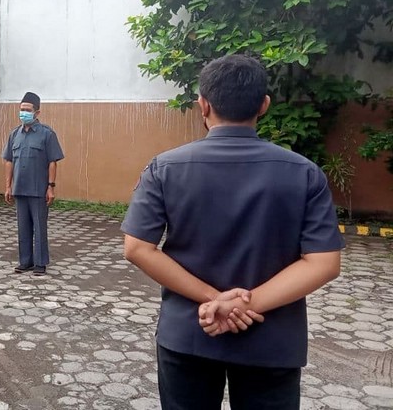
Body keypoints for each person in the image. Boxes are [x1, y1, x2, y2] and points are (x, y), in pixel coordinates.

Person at [122, 55, 345, 410]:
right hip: (271, 339)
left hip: (190, 332)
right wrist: (246, 305)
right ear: (264, 105)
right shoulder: (304, 173)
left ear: (203, 105)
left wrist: (215, 301)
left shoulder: (165, 168)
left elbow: (137, 248)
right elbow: (323, 263)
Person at [2, 92, 64, 276]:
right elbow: (9, 161)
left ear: (37, 113)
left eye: (27, 110)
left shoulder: (47, 134)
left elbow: (52, 162)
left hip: (38, 190)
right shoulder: (14, 134)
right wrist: (8, 186)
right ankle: (25, 261)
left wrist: (51, 187)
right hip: (20, 189)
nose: (23, 113)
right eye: (21, 109)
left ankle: (40, 263)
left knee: (39, 227)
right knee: (23, 228)